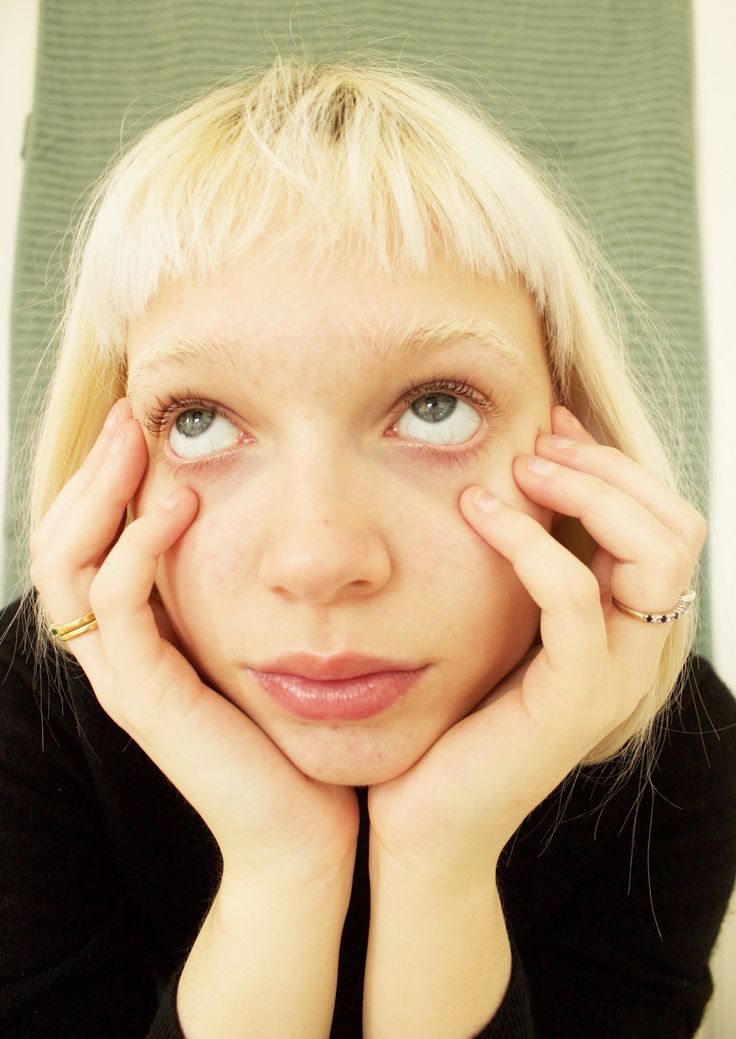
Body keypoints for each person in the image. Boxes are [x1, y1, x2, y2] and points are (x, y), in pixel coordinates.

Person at [1, 53, 734, 1039]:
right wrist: (282, 865)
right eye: (201, 420)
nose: (315, 559)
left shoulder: (683, 747)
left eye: (436, 407)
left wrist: (440, 861)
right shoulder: (23, 712)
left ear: (572, 439)